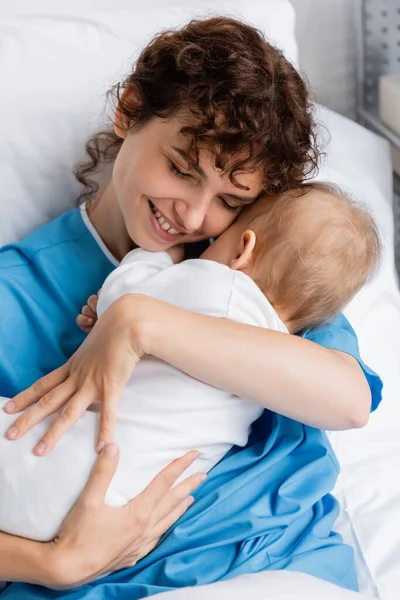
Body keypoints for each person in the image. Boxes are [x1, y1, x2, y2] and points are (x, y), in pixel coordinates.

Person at [0, 16, 381, 599]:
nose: (195, 217)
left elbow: (349, 400)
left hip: (276, 560)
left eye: (231, 199)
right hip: (106, 584)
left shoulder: (258, 265)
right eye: (181, 169)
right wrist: (51, 564)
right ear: (129, 111)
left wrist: (140, 323)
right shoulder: (16, 292)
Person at [0, 183, 380, 547]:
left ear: (242, 248)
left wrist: (157, 257)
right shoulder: (279, 350)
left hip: (56, 467)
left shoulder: (221, 286)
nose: (194, 218)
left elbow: (121, 296)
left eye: (229, 206)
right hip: (124, 508)